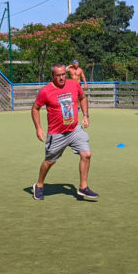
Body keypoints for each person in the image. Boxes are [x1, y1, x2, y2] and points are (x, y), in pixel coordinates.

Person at [30, 63, 98, 201]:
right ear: (53, 76)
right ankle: (39, 185)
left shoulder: (73, 85)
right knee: (49, 161)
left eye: (63, 74)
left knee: (87, 154)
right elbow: (35, 108)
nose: (61, 77)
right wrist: (38, 127)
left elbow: (83, 97)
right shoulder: (46, 91)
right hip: (57, 134)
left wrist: (85, 115)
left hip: (74, 130)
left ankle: (83, 187)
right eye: (58, 75)